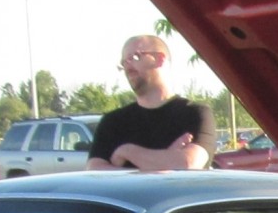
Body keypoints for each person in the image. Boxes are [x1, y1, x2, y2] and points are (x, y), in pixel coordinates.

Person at [87, 35, 216, 170]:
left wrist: (127, 151)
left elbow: (187, 164)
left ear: (160, 59)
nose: (127, 67)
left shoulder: (195, 113)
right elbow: (95, 172)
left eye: (134, 57)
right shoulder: (112, 122)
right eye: (124, 62)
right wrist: (165, 162)